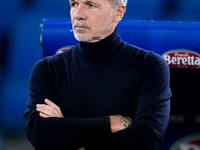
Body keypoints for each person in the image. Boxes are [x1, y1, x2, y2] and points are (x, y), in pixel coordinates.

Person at [23, 0, 171, 149]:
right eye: (74, 4)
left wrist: (66, 131)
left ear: (118, 13)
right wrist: (109, 123)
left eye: (90, 5)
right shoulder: (47, 69)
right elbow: (39, 133)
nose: (78, 14)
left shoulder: (149, 66)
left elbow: (146, 139)